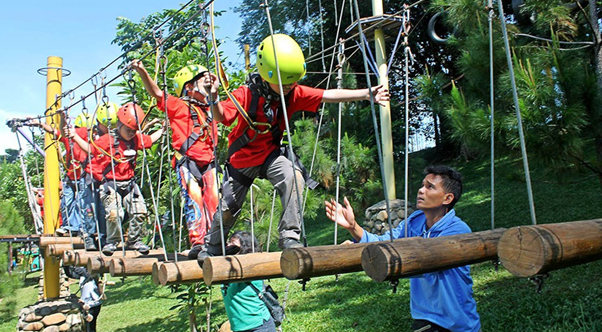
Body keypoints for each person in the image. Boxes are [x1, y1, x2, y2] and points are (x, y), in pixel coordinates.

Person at [203, 33, 390, 261]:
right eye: (286, 81)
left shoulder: (293, 93)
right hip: (242, 160)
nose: (291, 85)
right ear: (266, 75)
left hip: (270, 155)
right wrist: (213, 98)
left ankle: (289, 236)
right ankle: (212, 246)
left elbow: (327, 95)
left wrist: (366, 94)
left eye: (294, 81)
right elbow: (221, 116)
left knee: (293, 175)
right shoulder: (246, 94)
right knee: (227, 209)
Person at [325, 165, 481, 332]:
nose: (421, 190)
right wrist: (353, 227)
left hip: (458, 324)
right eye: (422, 185)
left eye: (430, 187)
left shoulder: (458, 230)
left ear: (447, 198)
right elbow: (384, 242)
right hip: (425, 318)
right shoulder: (415, 221)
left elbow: (426, 262)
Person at [130, 60, 219, 259]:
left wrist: (213, 88)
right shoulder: (178, 105)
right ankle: (198, 243)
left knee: (214, 202)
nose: (206, 81)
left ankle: (215, 241)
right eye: (201, 79)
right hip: (188, 162)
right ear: (188, 86)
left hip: (209, 162)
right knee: (194, 200)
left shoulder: (211, 108)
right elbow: (157, 93)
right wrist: (143, 71)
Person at [70, 102, 163, 256]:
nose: (131, 133)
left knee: (139, 211)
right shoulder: (108, 140)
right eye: (128, 130)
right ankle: (112, 241)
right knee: (114, 214)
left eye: (134, 131)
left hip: (129, 183)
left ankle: (133, 240)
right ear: (119, 124)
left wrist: (163, 129)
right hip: (111, 184)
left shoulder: (135, 139)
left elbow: (150, 140)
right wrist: (74, 137)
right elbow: (90, 149)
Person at [221, 231, 276, 332]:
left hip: (259, 326)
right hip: (240, 328)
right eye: (229, 243)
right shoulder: (227, 268)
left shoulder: (251, 267)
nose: (229, 246)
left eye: (233, 245)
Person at [63, 266, 102, 332]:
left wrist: (71, 265)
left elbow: (80, 271)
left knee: (90, 328)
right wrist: (66, 266)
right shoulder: (83, 275)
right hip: (87, 305)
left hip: (93, 305)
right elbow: (70, 274)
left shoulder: (90, 273)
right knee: (87, 328)